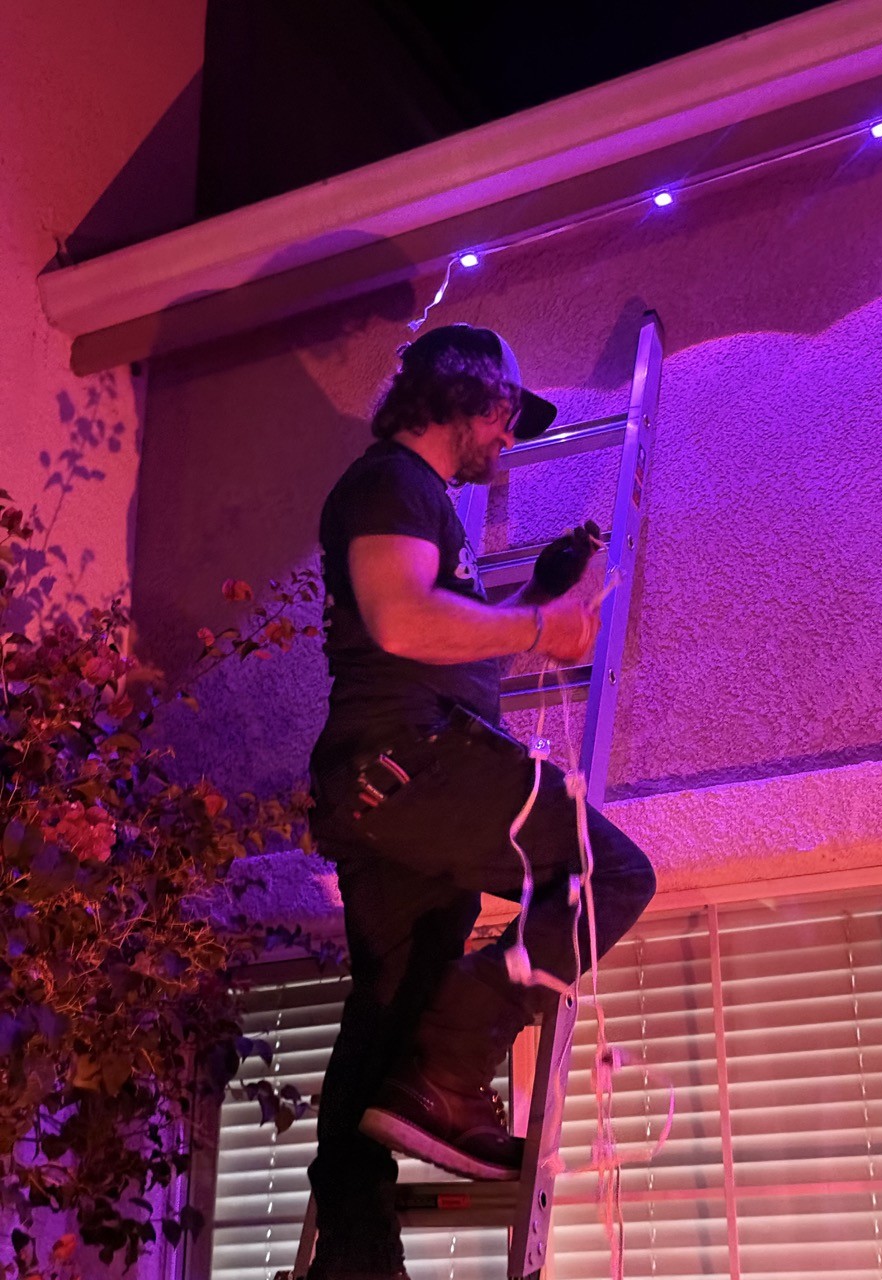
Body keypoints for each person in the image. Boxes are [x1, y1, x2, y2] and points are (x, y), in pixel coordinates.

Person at [307, 323, 656, 1280]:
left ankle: (358, 1257)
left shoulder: (417, 505)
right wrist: (541, 628)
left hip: (385, 789)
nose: (508, 438)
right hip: (412, 762)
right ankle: (454, 1067)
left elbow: (439, 639)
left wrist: (534, 598)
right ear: (462, 394)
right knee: (612, 875)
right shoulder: (394, 483)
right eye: (505, 415)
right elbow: (401, 619)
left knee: (387, 1024)